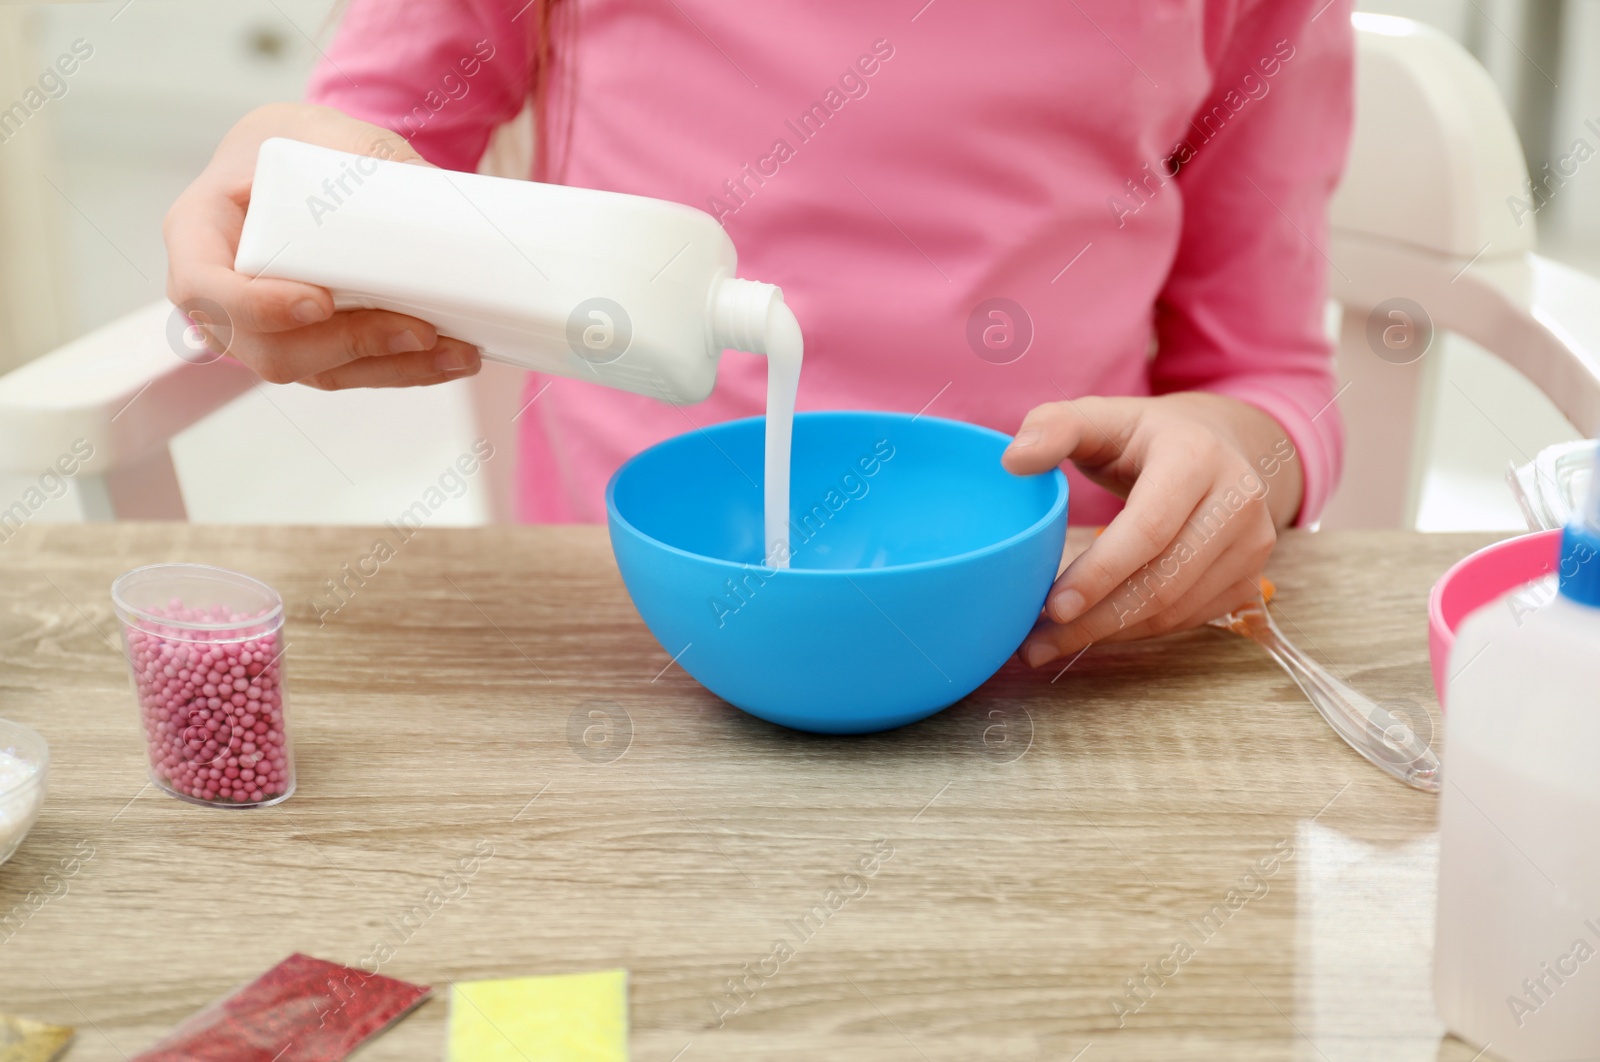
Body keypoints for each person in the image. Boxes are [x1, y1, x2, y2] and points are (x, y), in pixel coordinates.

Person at [163, 0, 1353, 668]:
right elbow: (357, 152)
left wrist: (1243, 452)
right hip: (617, 644)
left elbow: (1265, 369)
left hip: (1073, 650)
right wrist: (292, 207)